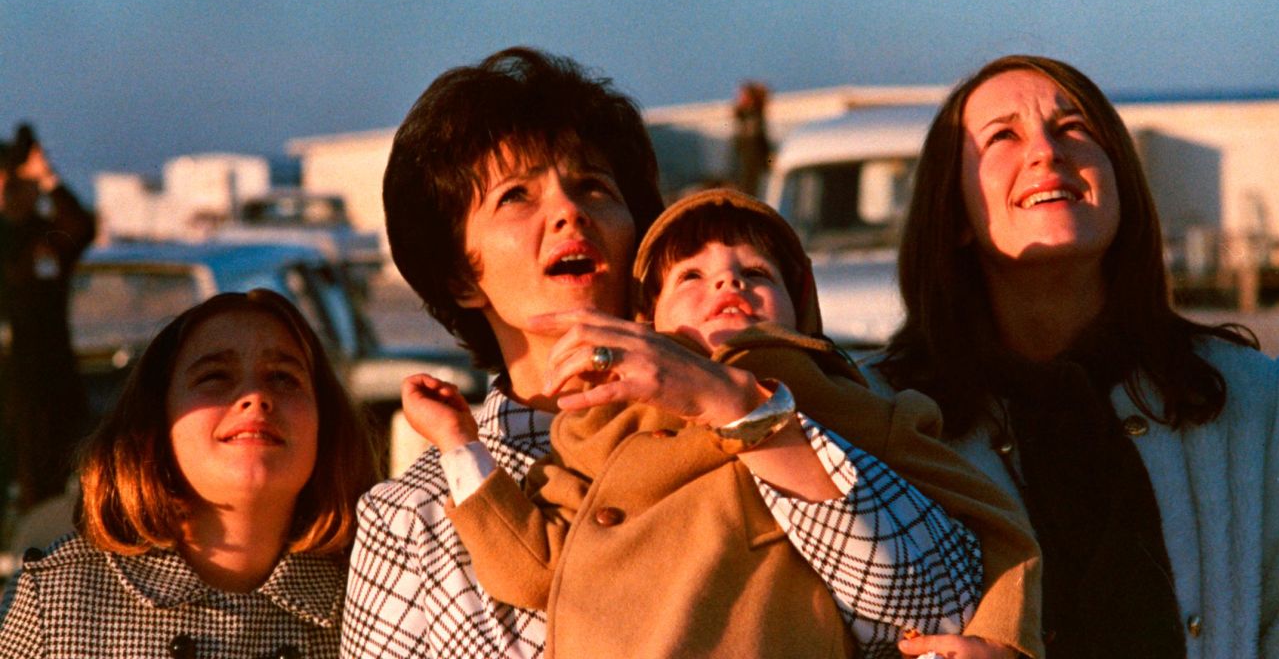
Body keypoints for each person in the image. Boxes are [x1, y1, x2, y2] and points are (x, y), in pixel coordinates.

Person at [343, 47, 998, 659]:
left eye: (594, 186)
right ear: (460, 274)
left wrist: (739, 412)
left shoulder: (798, 413)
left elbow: (945, 610)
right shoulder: (411, 518)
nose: (570, 212)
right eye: (516, 196)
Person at [404, 188, 1043, 658]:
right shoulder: (597, 431)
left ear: (802, 310)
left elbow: (995, 525)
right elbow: (530, 570)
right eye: (691, 276)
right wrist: (461, 445)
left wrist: (1003, 642)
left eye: (757, 273)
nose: (728, 281)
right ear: (646, 319)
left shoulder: (845, 402)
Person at [866, 54, 1279, 658]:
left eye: (1073, 129)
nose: (1046, 152)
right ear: (952, 212)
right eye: (1003, 135)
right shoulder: (884, 417)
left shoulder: (1250, 398)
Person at [0, 290, 379, 657]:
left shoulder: (380, 599)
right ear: (158, 421)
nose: (255, 396)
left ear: (324, 425)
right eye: (215, 376)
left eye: (283, 377)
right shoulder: (57, 598)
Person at [0, 125, 97, 515]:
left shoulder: (45, 238)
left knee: (42, 491)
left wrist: (46, 176)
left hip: (43, 385)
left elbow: (81, 226)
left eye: (17, 184)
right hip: (6, 383)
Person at [732, 81, 770, 196]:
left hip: (754, 165)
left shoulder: (754, 116)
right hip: (746, 165)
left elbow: (762, 144)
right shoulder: (745, 116)